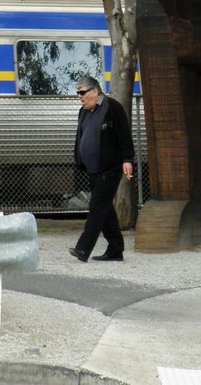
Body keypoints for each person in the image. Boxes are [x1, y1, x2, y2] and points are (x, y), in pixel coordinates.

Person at [69, 75, 135, 262]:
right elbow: (80, 136)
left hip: (109, 168)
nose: (79, 96)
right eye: (78, 93)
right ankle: (116, 249)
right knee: (105, 209)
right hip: (92, 169)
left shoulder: (112, 107)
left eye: (82, 92)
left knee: (97, 208)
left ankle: (83, 249)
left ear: (95, 91)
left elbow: (124, 135)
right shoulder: (83, 112)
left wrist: (127, 159)